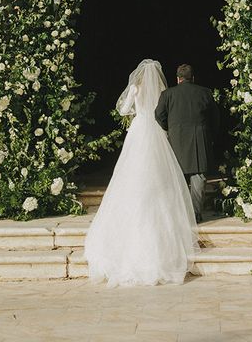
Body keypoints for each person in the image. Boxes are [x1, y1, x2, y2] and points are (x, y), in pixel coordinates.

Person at [84, 59, 198, 286]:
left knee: (131, 172)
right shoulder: (163, 91)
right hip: (155, 130)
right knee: (159, 175)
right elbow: (164, 112)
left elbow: (124, 109)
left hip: (139, 129)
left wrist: (135, 110)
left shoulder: (135, 88)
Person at [155, 63, 219, 223]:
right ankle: (196, 213)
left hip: (177, 139)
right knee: (198, 177)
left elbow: (158, 114)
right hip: (199, 139)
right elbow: (215, 118)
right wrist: (210, 134)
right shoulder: (205, 93)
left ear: (178, 79)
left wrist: (169, 128)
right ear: (193, 78)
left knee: (178, 177)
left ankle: (180, 214)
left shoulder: (167, 94)